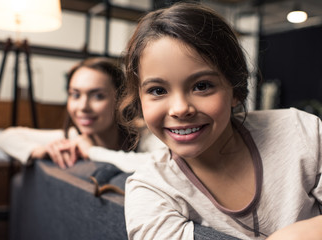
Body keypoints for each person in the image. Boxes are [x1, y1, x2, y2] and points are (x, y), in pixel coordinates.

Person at [120, 2, 322, 240]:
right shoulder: (150, 190)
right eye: (157, 90)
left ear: (235, 90)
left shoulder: (300, 132)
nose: (180, 109)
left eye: (202, 86)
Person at [0, 57, 166, 172]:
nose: (83, 107)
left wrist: (92, 151)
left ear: (120, 100)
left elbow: (164, 166)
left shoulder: (144, 133)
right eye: (75, 95)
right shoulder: (72, 138)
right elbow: (6, 137)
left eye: (98, 96)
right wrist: (39, 151)